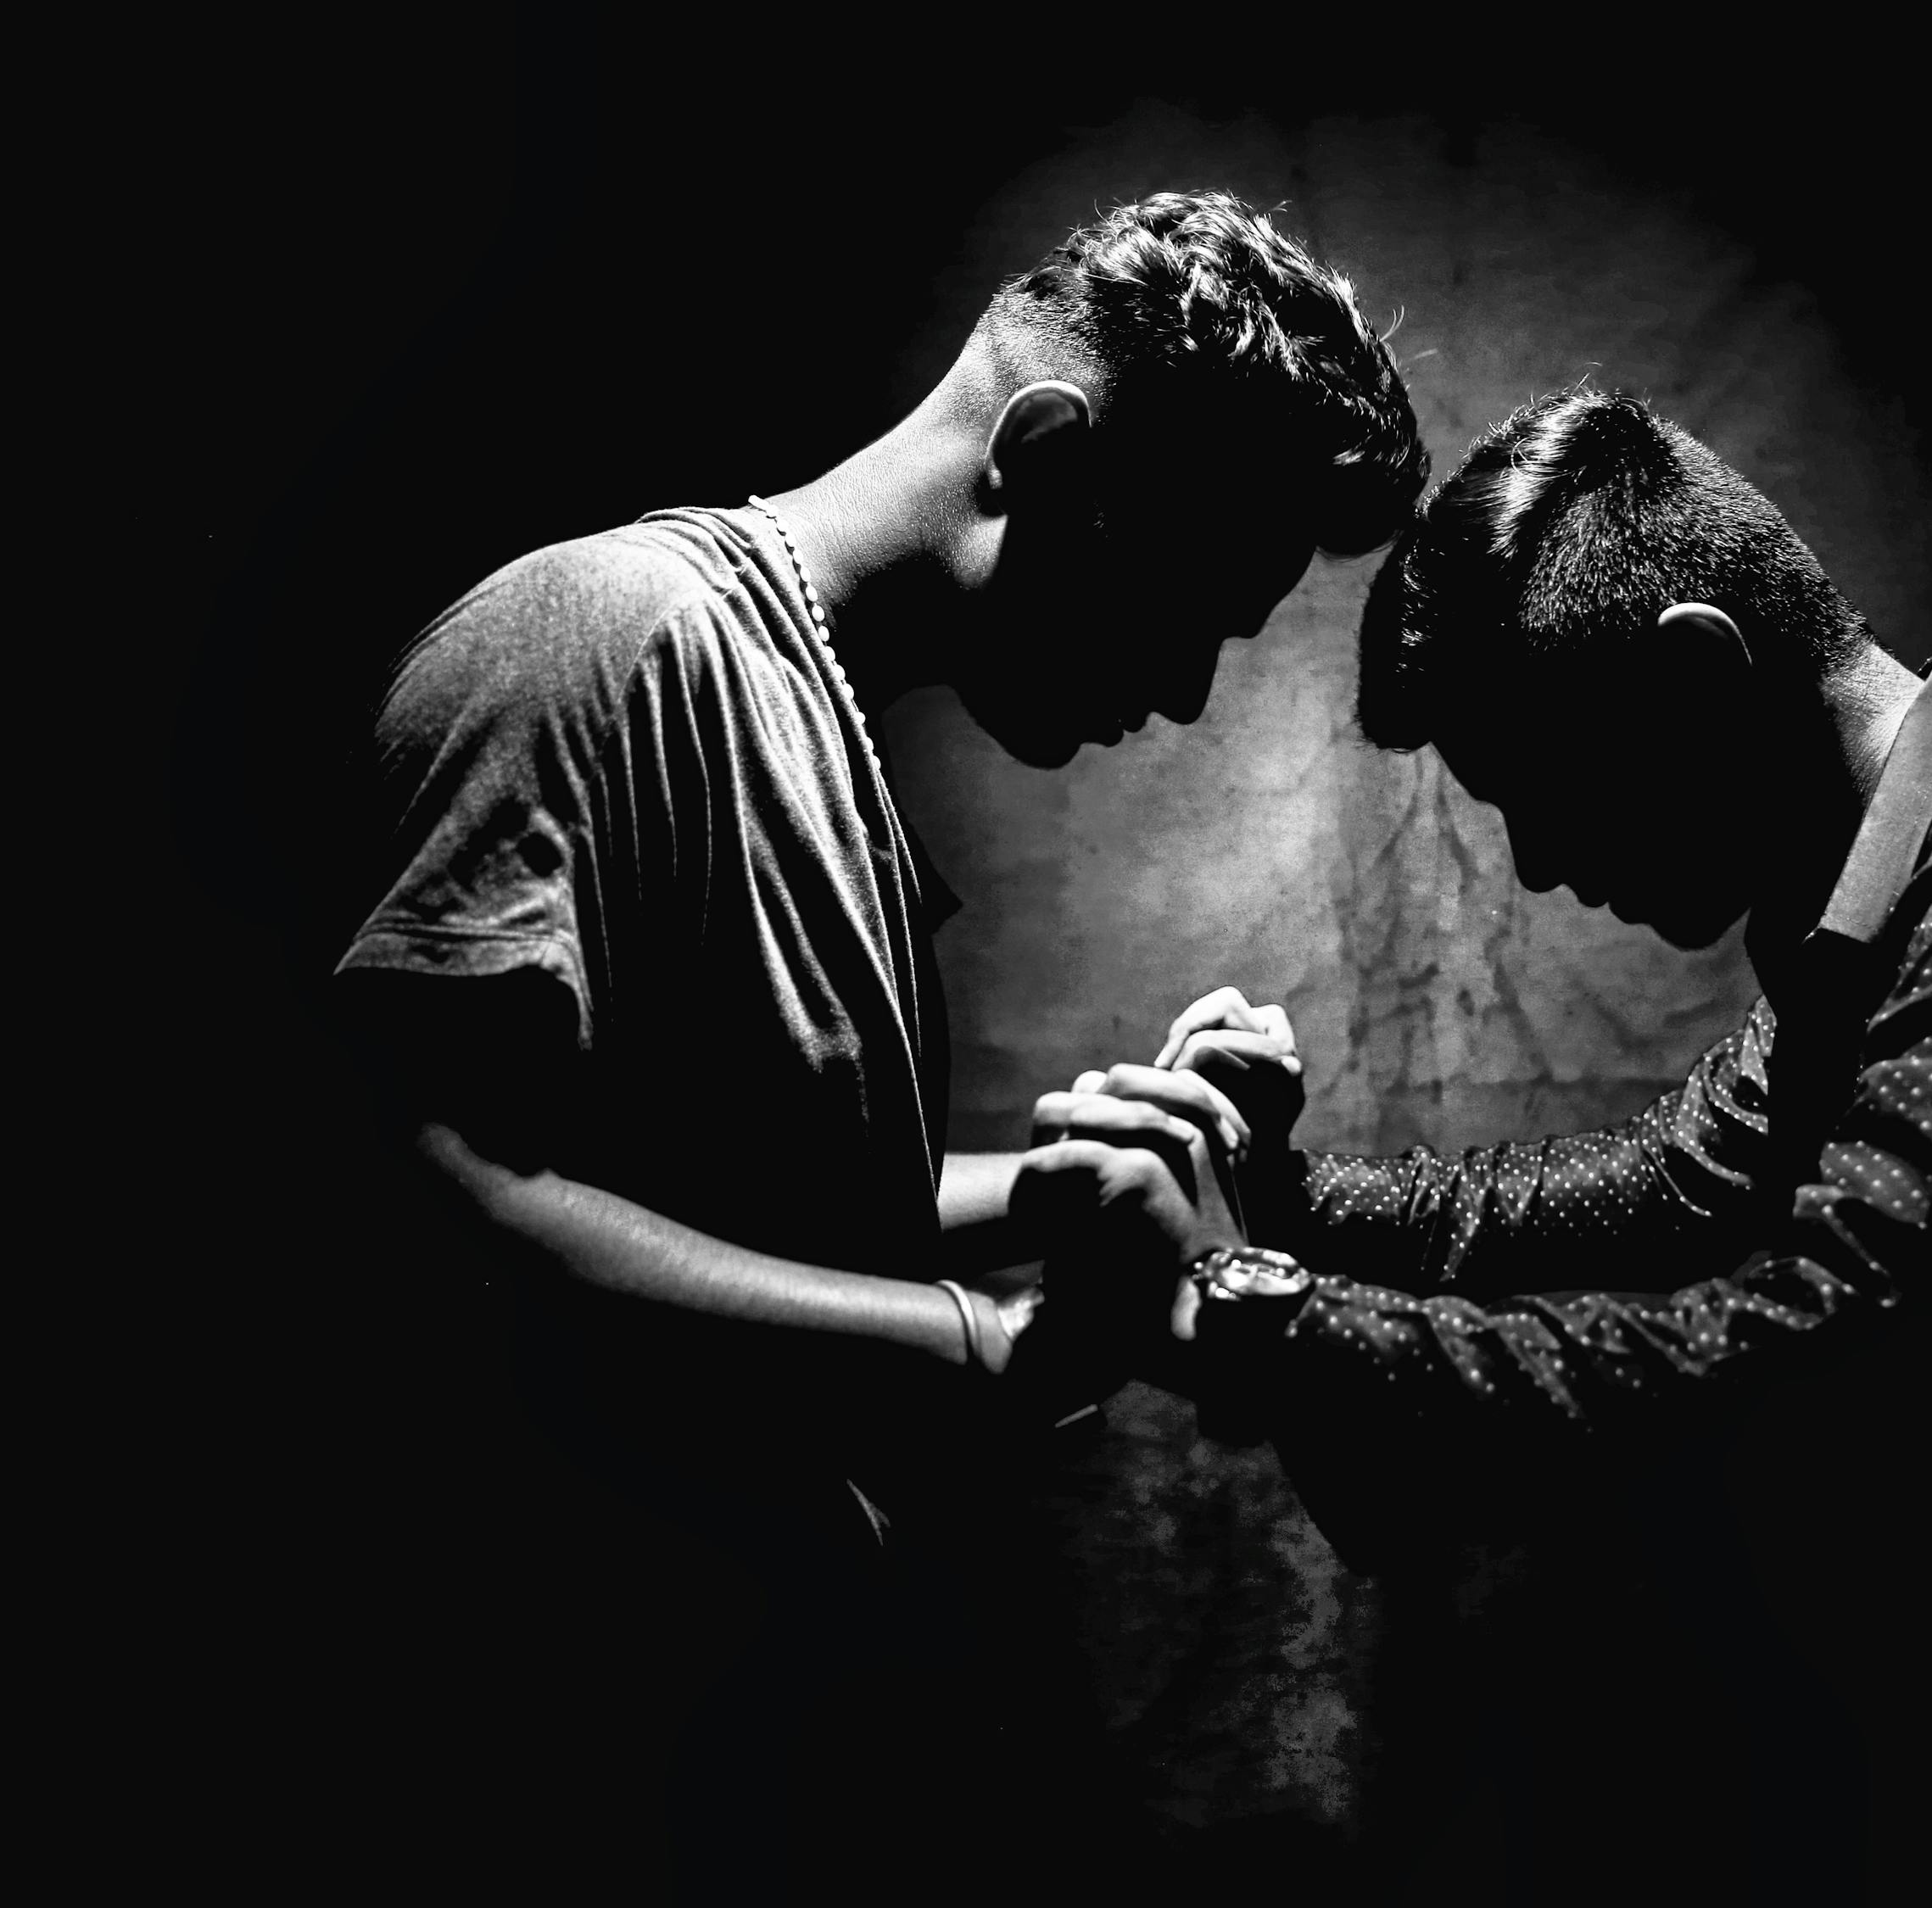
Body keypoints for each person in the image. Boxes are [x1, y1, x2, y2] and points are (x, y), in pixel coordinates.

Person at [329, 190, 1425, 1900]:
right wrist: (981, 1345)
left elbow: (749, 1197)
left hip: (770, 1728)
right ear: (1047, 456)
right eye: (1194, 601)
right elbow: (442, 1188)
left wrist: (1055, 1190)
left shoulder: (820, 726)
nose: (1190, 692)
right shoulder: (598, 639)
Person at [1052, 385, 1932, 1894]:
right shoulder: (1903, 871)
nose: (1537, 865)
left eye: (1545, 787)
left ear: (1697, 675)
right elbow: (1671, 1180)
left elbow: (1802, 1361)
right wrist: (1279, 1189)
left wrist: (1247, 1302)